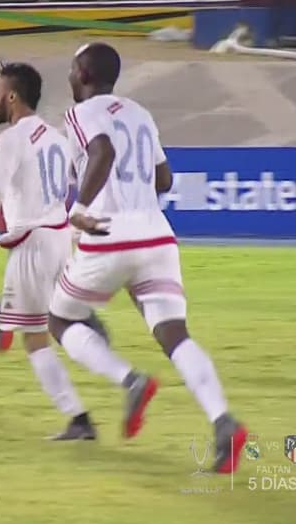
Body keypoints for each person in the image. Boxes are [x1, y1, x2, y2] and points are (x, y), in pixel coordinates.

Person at [46, 42, 247, 472]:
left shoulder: (79, 114)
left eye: (72, 69)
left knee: (59, 320)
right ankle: (222, 420)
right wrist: (132, 193)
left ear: (84, 74)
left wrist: (80, 208)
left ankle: (130, 380)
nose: (70, 76)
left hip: (107, 233)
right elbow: (164, 179)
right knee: (175, 335)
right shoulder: (140, 113)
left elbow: (102, 151)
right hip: (156, 235)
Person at [0, 62, 98, 440]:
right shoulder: (57, 137)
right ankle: (89, 337)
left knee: (34, 338)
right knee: (54, 324)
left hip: (31, 243)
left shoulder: (11, 139)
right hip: (60, 239)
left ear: (12, 97)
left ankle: (81, 416)